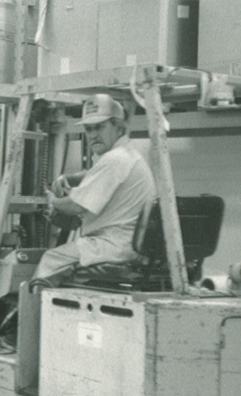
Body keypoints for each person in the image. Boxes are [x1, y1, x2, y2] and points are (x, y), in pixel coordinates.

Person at [31, 94, 156, 286]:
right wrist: (70, 178)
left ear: (118, 127)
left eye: (100, 127)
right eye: (89, 129)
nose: (93, 134)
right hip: (125, 243)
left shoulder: (113, 160)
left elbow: (76, 206)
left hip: (111, 246)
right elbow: (96, 175)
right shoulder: (127, 155)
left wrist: (49, 201)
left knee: (51, 259)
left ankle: (33, 315)